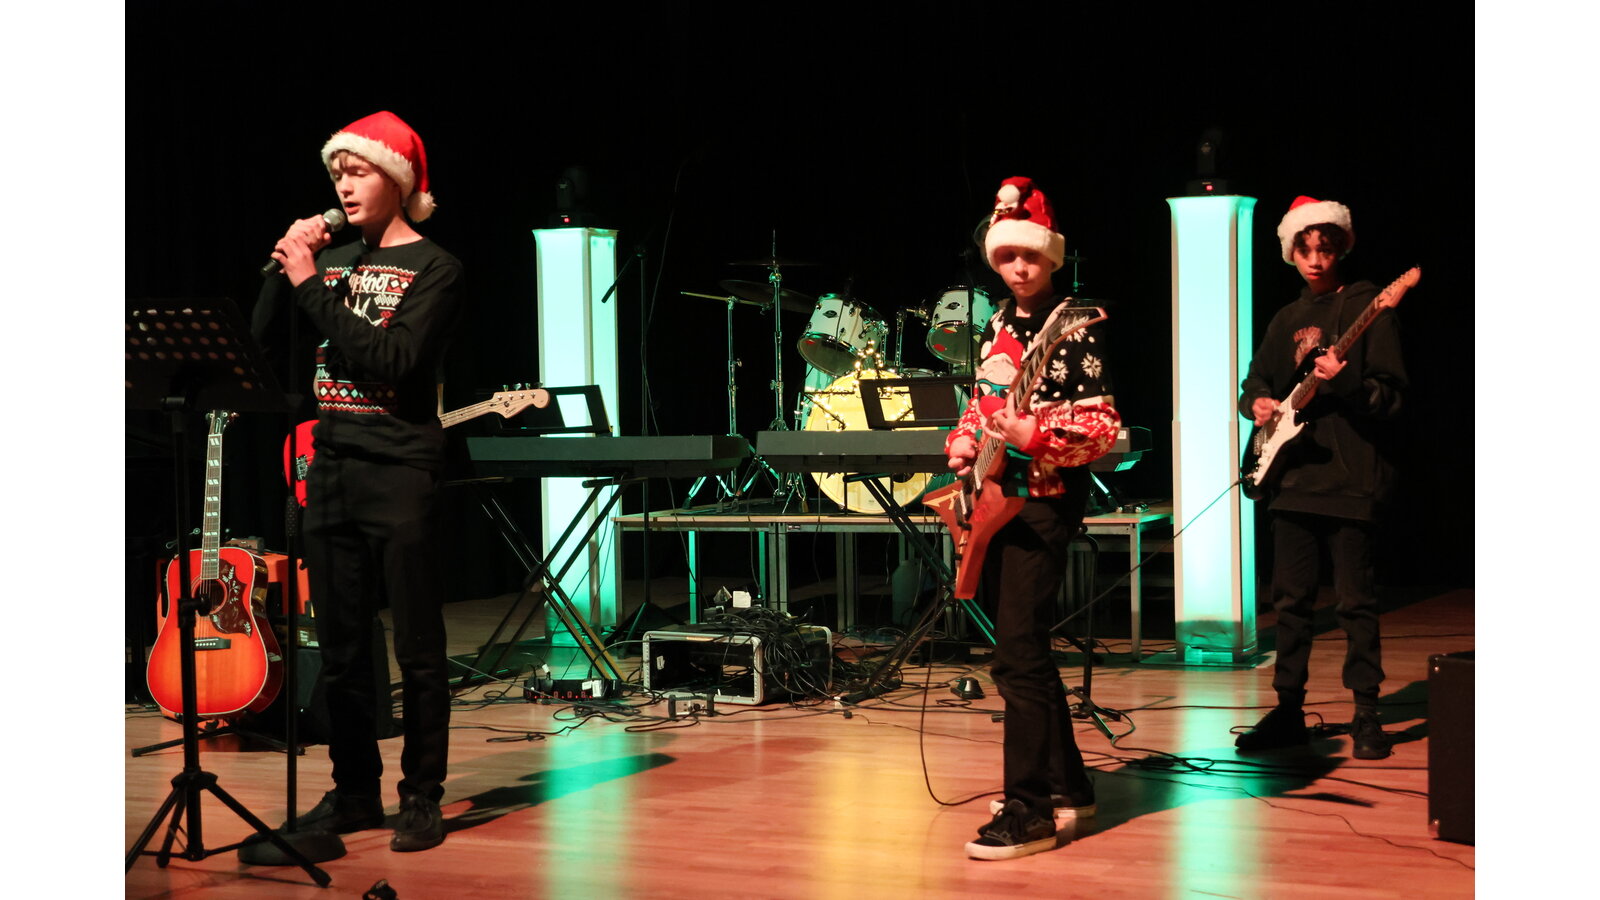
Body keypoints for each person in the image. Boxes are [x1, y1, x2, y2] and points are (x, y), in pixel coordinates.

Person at [269, 111, 464, 851]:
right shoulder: (337, 261)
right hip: (332, 469)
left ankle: (421, 796)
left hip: (401, 470)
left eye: (358, 171)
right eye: (337, 173)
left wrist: (311, 286)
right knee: (343, 649)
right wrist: (290, 265)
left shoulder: (438, 268)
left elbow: (393, 361)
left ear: (398, 180)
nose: (344, 186)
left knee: (417, 647)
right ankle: (354, 793)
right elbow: (261, 334)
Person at [945, 177, 1121, 860]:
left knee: (1016, 654)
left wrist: (1035, 434)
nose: (1019, 268)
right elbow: (982, 402)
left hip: (1044, 501)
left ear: (1051, 258)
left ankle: (1029, 812)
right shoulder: (999, 323)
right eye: (1008, 257)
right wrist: (965, 441)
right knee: (1024, 652)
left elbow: (1101, 428)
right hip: (994, 499)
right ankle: (1067, 783)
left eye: (1030, 256)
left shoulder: (1076, 325)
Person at [1233, 196, 1406, 760]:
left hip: (1352, 479)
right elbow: (1254, 381)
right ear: (1290, 252)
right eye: (1304, 249)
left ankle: (1367, 714)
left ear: (1341, 250)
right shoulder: (1287, 318)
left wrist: (1345, 380)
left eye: (1324, 249)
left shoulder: (1371, 308)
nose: (1314, 259)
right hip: (1293, 479)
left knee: (1356, 602)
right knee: (1290, 605)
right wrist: (1258, 403)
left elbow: (1391, 398)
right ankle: (1288, 711)